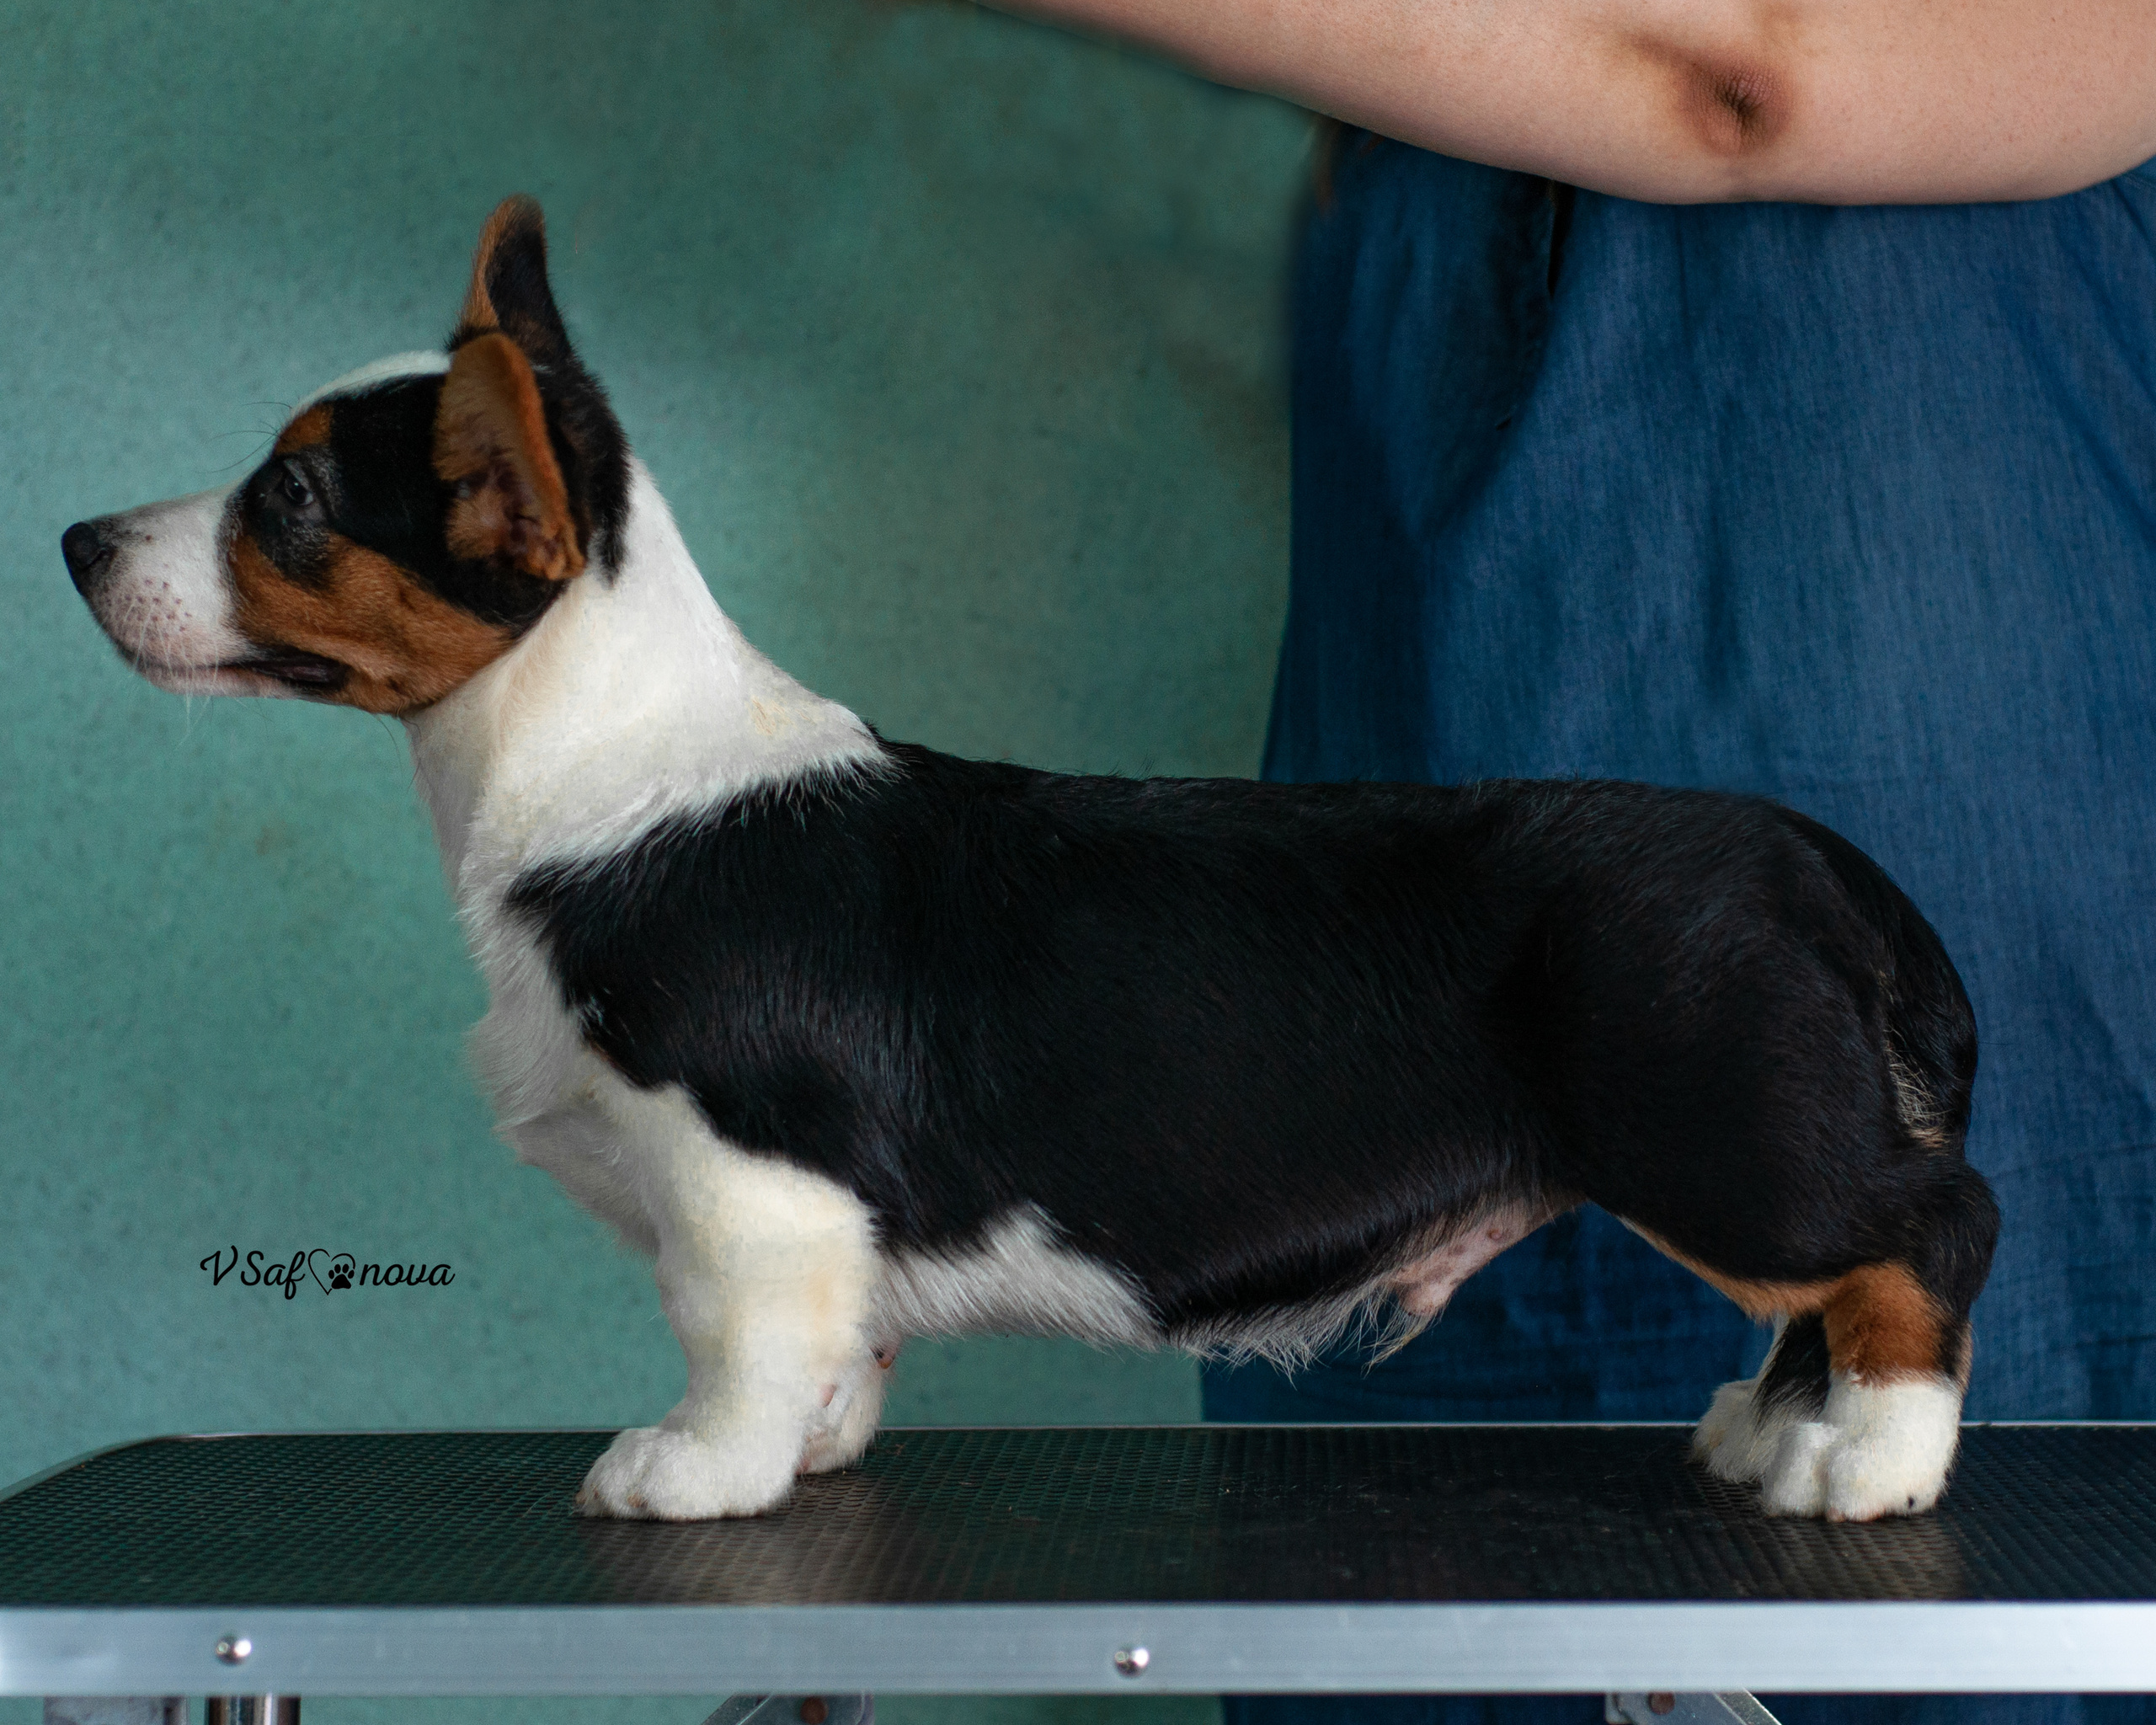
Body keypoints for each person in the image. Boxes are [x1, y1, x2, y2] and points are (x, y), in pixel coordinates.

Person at [982, 4, 2156, 1723]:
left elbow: (1754, 85)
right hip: (1434, 838)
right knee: (1428, 1591)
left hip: (1918, 768)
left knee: (1942, 1564)